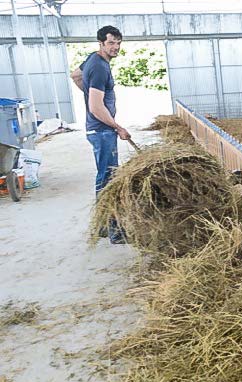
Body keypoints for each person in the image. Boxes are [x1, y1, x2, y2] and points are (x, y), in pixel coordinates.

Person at [70, 25, 131, 243]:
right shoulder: (99, 68)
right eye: (111, 43)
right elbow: (96, 108)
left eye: (118, 43)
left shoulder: (92, 60)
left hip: (98, 130)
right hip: (103, 130)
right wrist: (117, 127)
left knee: (105, 176)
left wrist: (88, 91)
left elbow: (75, 75)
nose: (115, 47)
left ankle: (102, 226)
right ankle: (115, 232)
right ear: (101, 43)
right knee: (109, 179)